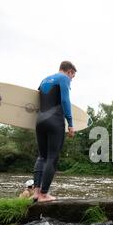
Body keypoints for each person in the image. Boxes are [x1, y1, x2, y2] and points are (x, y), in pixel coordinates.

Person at [32, 61, 77, 202]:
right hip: (55, 120)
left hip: (40, 121)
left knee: (42, 156)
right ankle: (44, 194)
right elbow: (65, 101)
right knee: (52, 157)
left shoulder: (44, 80)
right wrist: (70, 123)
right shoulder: (63, 78)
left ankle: (36, 193)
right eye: (73, 76)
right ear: (69, 71)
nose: (71, 79)